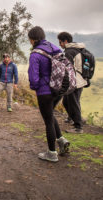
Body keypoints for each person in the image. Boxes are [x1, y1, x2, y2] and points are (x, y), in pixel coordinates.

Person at [28, 26, 70, 162]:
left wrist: (36, 88)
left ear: (32, 39)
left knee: (48, 121)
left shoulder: (35, 54)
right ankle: (61, 140)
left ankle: (52, 153)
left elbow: (34, 79)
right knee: (50, 114)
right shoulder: (53, 48)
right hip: (58, 89)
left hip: (45, 91)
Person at [57, 32, 87, 133]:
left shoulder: (69, 52)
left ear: (65, 41)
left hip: (75, 82)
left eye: (60, 42)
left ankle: (78, 127)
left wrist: (64, 85)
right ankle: (76, 119)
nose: (59, 44)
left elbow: (67, 70)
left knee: (73, 103)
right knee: (69, 102)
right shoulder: (78, 49)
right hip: (81, 80)